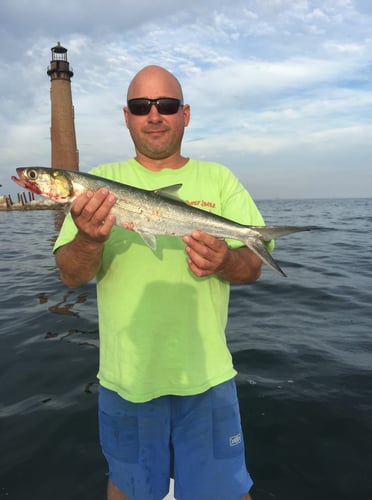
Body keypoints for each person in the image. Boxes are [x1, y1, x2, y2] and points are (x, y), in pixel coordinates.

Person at [53, 65, 273, 500]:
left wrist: (226, 260)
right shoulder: (94, 186)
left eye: (166, 105)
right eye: (141, 106)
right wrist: (88, 240)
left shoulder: (221, 180)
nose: (154, 115)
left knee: (227, 492)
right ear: (127, 116)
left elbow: (253, 267)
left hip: (207, 378)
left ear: (185, 114)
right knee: (128, 490)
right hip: (126, 382)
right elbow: (70, 274)